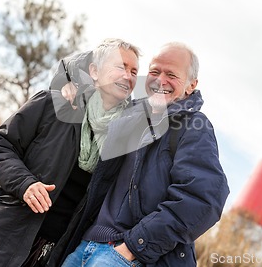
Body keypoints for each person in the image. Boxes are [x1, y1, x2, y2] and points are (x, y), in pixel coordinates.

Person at [0, 38, 141, 267]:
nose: (128, 76)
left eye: (134, 71)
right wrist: (25, 184)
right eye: (120, 66)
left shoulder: (126, 136)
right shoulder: (54, 103)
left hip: (53, 252)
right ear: (94, 71)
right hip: (3, 236)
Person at [60, 42, 230, 267]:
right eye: (154, 71)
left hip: (128, 256)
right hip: (85, 245)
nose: (160, 80)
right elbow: (95, 75)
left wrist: (132, 247)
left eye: (171, 74)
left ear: (191, 85)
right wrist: (70, 83)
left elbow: (204, 199)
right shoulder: (127, 114)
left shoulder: (194, 126)